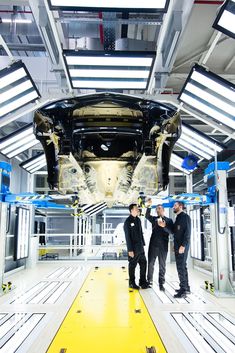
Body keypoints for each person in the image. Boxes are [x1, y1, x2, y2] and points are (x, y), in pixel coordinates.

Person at [159, 201, 191, 298]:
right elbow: (174, 231)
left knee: (180, 267)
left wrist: (183, 245)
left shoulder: (185, 217)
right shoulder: (178, 217)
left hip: (182, 247)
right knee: (182, 267)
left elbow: (187, 233)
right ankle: (186, 287)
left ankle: (183, 290)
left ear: (180, 206)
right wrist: (164, 226)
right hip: (178, 246)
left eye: (175, 205)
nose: (173, 207)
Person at [145, 199, 173, 291]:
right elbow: (147, 216)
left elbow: (172, 232)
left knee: (162, 265)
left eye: (159, 208)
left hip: (163, 246)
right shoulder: (154, 219)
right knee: (150, 263)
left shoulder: (169, 221)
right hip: (153, 245)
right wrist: (149, 206)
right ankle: (149, 281)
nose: (158, 210)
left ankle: (161, 283)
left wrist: (164, 226)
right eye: (157, 209)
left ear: (163, 210)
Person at [124, 203, 150, 289]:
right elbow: (127, 237)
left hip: (140, 247)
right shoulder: (127, 222)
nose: (138, 209)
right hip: (133, 248)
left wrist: (143, 244)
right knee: (132, 265)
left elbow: (140, 233)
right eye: (136, 208)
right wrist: (130, 250)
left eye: (138, 208)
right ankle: (131, 282)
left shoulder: (138, 220)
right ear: (131, 210)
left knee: (143, 263)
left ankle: (142, 282)